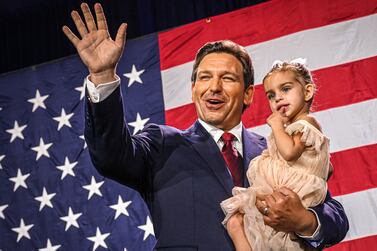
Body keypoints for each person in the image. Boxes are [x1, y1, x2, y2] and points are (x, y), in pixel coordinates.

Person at [62, 3, 348, 250]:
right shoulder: (162, 143)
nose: (213, 87)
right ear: (193, 88)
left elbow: (334, 215)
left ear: (248, 93)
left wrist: (305, 221)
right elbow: (110, 155)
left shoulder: (274, 151)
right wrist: (102, 76)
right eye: (204, 77)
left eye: (227, 78)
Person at [221, 59, 333, 251]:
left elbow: (289, 153)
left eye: (286, 89)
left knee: (240, 224)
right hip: (280, 193)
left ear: (307, 92)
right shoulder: (297, 130)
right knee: (236, 223)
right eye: (271, 95)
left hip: (289, 198)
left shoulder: (305, 123)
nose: (278, 98)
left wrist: (276, 125)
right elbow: (327, 168)